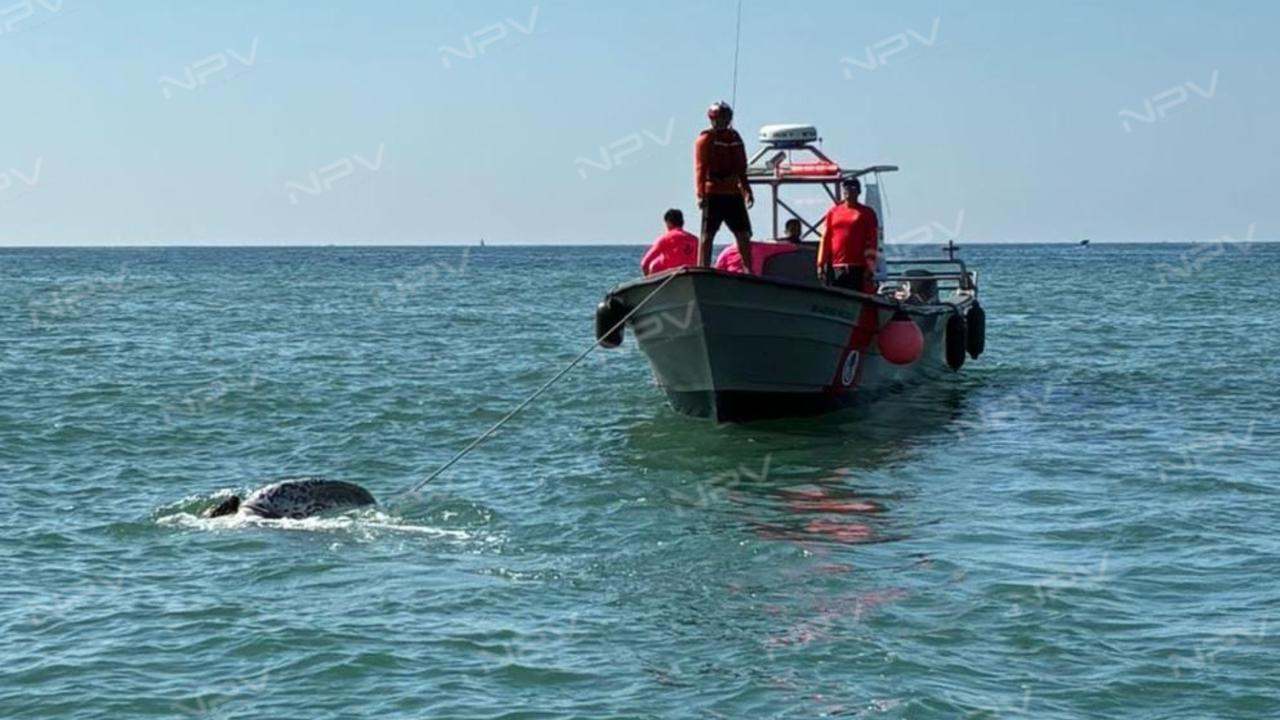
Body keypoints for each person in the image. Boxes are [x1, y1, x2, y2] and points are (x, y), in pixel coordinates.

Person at [695, 101, 754, 272]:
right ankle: (703, 268)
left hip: (733, 193)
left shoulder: (735, 138)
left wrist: (747, 191)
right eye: (716, 119)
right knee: (707, 234)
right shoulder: (705, 139)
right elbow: (700, 168)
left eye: (723, 118)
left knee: (743, 234)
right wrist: (700, 195)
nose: (719, 122)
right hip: (712, 192)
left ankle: (748, 270)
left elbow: (742, 168)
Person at [817, 177, 879, 292]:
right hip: (836, 266)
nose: (849, 190)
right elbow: (825, 238)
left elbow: (873, 241)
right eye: (846, 187)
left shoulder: (867, 213)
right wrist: (821, 263)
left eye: (852, 187)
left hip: (857, 267)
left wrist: (870, 267)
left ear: (859, 191)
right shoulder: (833, 212)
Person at [640, 208, 699, 275]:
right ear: (683, 222)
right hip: (691, 276)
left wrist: (648, 280)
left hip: (669, 280)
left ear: (668, 223)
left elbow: (644, 263)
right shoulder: (696, 240)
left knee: (654, 265)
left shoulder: (665, 239)